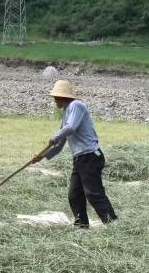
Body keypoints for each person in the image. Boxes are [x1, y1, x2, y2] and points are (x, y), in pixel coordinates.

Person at [32, 80, 117, 228]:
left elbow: (70, 128)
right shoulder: (66, 112)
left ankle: (113, 224)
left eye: (55, 97)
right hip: (79, 159)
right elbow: (59, 145)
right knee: (74, 195)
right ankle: (81, 225)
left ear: (61, 96)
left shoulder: (76, 106)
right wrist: (43, 156)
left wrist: (56, 135)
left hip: (90, 156)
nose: (54, 101)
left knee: (93, 193)